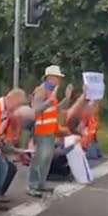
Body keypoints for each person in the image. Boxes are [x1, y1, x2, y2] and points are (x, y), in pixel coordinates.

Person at [27, 65, 69, 198]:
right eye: (58, 77)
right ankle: (32, 185)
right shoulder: (41, 90)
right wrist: (49, 102)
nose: (59, 80)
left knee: (46, 159)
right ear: (50, 78)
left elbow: (55, 110)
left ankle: (41, 184)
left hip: (49, 130)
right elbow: (34, 110)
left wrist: (66, 99)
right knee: (40, 158)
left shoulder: (51, 92)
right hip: (41, 130)